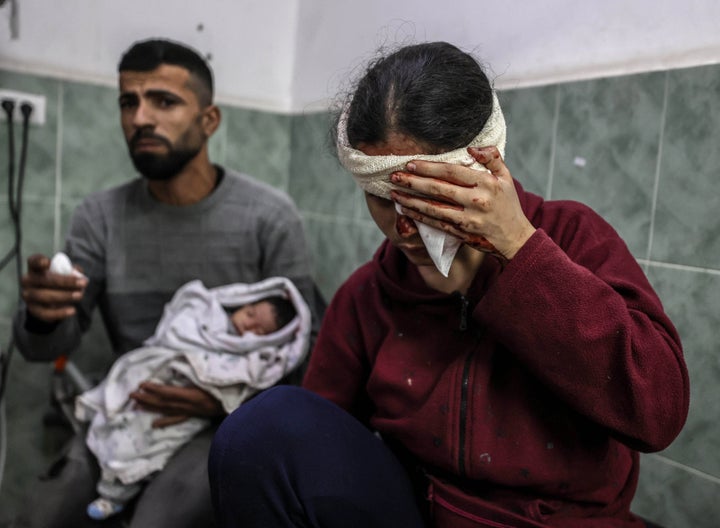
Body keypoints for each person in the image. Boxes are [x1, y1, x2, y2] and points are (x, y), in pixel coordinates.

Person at [208, 41, 690, 528]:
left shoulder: (573, 239)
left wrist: (520, 248)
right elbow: (320, 441)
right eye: (382, 199)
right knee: (261, 427)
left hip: (558, 520)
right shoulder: (368, 296)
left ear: (484, 171)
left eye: (428, 198)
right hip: (421, 513)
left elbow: (658, 415)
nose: (404, 229)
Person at [12, 37, 318, 528]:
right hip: (130, 411)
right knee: (41, 515)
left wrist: (224, 401)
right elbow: (42, 349)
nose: (140, 118)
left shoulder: (268, 216)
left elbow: (306, 351)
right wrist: (42, 317)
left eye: (164, 101)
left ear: (209, 120)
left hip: (224, 421)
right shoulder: (99, 217)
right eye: (128, 102)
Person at [78, 277, 310, 521]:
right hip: (150, 377)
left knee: (147, 455)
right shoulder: (207, 312)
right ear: (242, 301)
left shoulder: (254, 357)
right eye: (250, 313)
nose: (248, 327)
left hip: (207, 420)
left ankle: (115, 494)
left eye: (260, 331)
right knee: (101, 439)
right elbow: (179, 328)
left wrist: (219, 401)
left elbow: (250, 380)